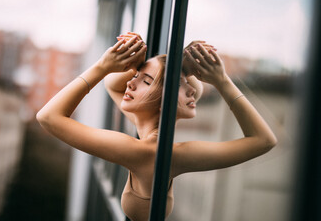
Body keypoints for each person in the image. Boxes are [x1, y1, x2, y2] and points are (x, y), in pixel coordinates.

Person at [36, 32, 277, 221]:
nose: (130, 83)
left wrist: (102, 66)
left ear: (163, 103)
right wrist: (137, 62)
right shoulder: (148, 128)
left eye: (145, 81)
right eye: (135, 77)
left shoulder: (149, 152)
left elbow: (48, 116)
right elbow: (114, 86)